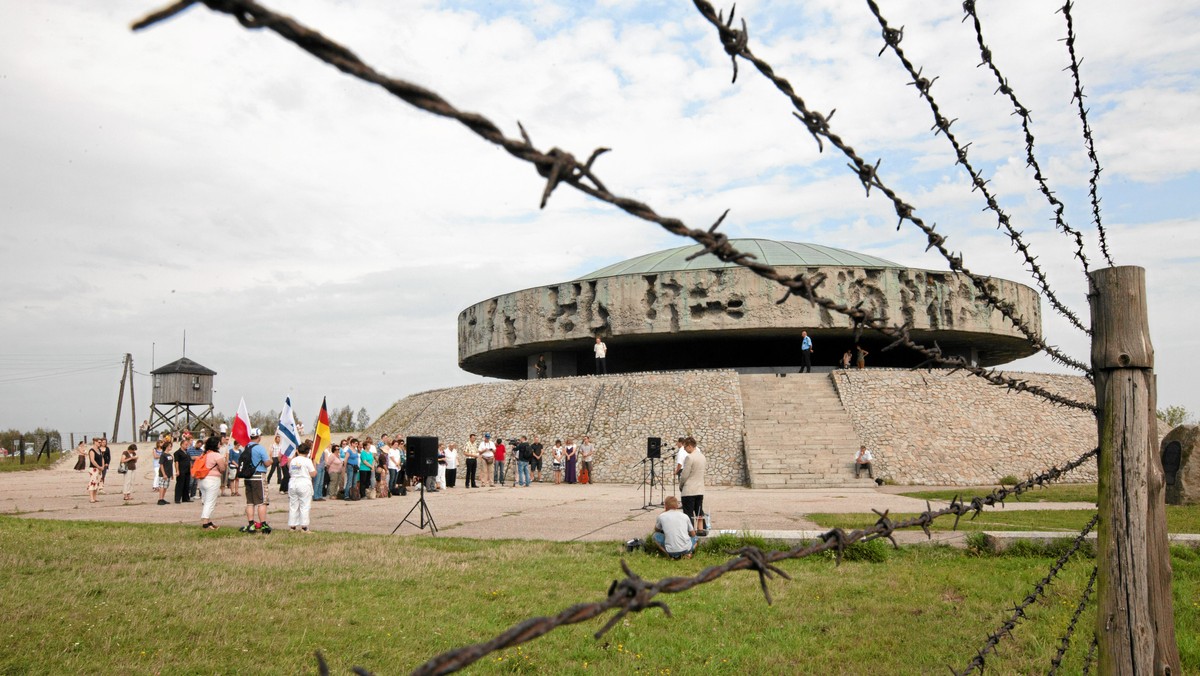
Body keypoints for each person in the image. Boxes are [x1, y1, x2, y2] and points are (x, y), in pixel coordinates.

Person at [239, 428, 273, 534]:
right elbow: (267, 463)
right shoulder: (260, 448)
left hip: (248, 477)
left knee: (250, 502)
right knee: (262, 502)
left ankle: (251, 524)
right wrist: (271, 460)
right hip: (258, 476)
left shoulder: (246, 447)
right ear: (259, 437)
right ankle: (263, 524)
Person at [198, 436, 227, 530]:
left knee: (205, 500)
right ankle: (205, 523)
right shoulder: (216, 455)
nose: (220, 444)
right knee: (210, 502)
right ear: (216, 444)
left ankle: (209, 521)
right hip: (213, 479)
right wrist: (224, 463)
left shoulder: (204, 454)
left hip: (202, 479)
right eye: (219, 443)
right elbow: (222, 468)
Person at [287, 440, 317, 532]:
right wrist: (314, 464)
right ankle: (304, 526)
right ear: (308, 452)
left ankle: (292, 526)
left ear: (298, 451)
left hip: (293, 483)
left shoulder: (293, 461)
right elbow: (313, 474)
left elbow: (290, 471)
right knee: (305, 505)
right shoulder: (307, 461)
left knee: (293, 505)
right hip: (303, 482)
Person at [678, 436, 706, 531]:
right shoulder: (702, 457)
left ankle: (690, 532)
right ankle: (701, 530)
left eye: (685, 447)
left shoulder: (689, 458)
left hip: (689, 490)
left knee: (688, 514)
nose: (684, 449)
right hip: (699, 489)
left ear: (690, 446)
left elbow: (684, 475)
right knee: (699, 511)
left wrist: (681, 485)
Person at [85, 439, 104, 503]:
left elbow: (102, 458)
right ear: (95, 442)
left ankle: (95, 497)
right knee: (92, 482)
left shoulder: (99, 450)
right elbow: (92, 460)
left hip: (99, 468)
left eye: (100, 442)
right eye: (99, 442)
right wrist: (98, 466)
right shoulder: (92, 450)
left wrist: (102, 466)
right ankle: (91, 498)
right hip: (94, 468)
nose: (100, 443)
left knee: (97, 482)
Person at [154, 441, 172, 505]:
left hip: (168, 473)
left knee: (165, 486)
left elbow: (170, 465)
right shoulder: (163, 455)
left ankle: (163, 498)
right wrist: (163, 474)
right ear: (166, 447)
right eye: (170, 446)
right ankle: (160, 499)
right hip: (163, 474)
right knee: (161, 486)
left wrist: (171, 474)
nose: (171, 447)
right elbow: (161, 464)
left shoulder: (170, 455)